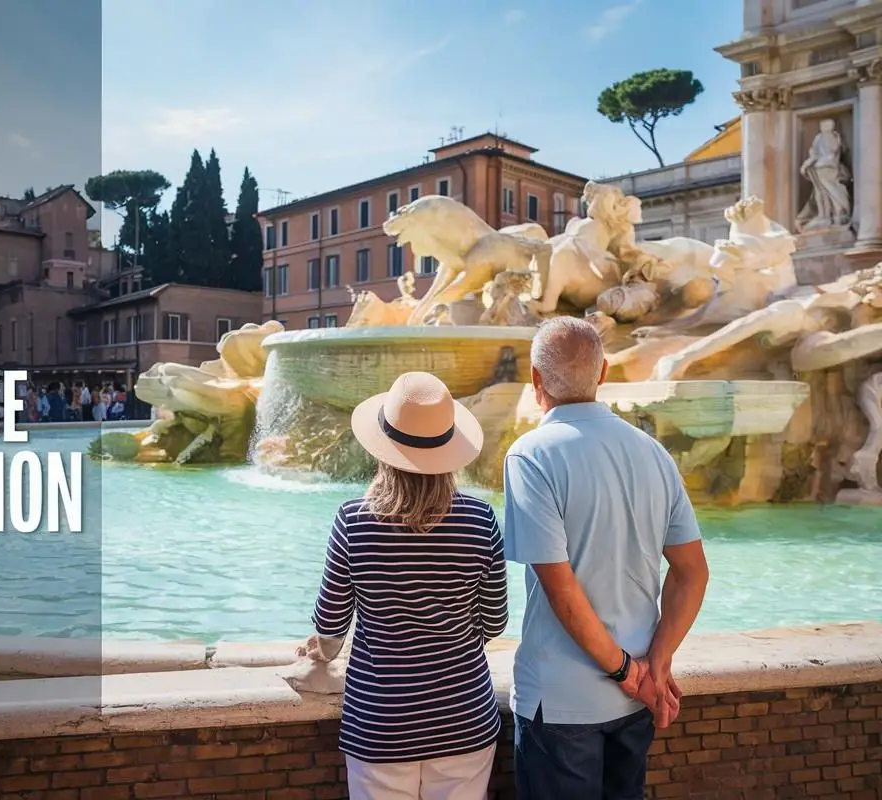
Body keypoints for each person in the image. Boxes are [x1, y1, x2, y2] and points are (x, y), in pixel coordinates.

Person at [503, 316, 710, 799]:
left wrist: (625, 670)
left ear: (535, 379)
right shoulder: (653, 452)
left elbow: (561, 589)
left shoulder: (530, 455)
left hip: (562, 701)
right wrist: (654, 666)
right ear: (604, 373)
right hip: (634, 701)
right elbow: (692, 573)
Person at [300, 371, 508, 800]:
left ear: (383, 449)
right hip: (464, 716)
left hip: (379, 723)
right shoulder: (481, 521)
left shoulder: (352, 521)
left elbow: (331, 627)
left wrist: (321, 651)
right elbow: (495, 622)